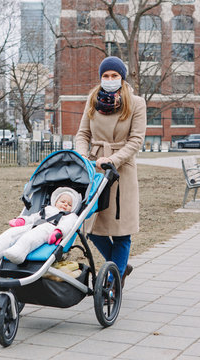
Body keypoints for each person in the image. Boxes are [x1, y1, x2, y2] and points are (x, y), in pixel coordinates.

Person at [75, 56, 146, 288]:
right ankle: (119, 266)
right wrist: (83, 157)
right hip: (94, 169)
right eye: (105, 76)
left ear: (122, 77)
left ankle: (113, 281)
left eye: (114, 75)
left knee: (122, 230)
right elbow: (82, 134)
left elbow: (136, 140)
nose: (110, 79)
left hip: (121, 170)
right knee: (91, 226)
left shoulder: (136, 103)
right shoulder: (93, 99)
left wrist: (112, 160)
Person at [0, 187, 82, 264]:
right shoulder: (47, 209)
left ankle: (18, 253)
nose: (65, 205)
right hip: (35, 224)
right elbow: (34, 217)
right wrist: (22, 220)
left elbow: (67, 225)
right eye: (63, 202)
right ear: (55, 202)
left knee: (31, 237)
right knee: (13, 232)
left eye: (69, 204)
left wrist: (59, 232)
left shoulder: (71, 216)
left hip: (49, 229)